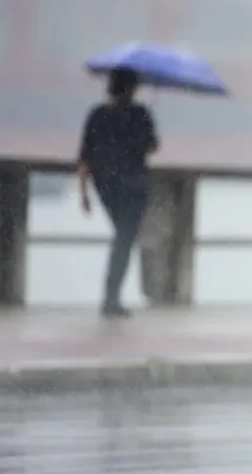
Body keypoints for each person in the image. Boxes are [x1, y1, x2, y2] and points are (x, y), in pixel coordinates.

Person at [77, 68, 159, 319]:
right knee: (124, 239)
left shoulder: (97, 115)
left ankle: (111, 296)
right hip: (134, 186)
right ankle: (111, 298)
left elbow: (84, 156)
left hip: (106, 186)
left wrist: (84, 194)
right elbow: (151, 146)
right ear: (133, 89)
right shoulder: (140, 114)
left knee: (122, 238)